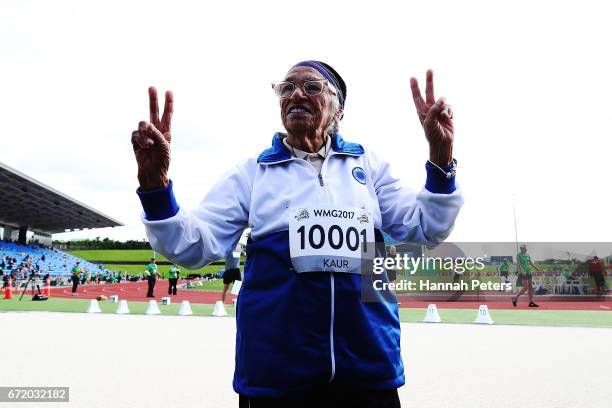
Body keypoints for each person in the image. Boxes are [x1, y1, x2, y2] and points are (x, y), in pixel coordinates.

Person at [131, 61, 463, 407]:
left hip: (368, 371)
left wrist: (441, 159)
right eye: (286, 88)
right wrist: (155, 185)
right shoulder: (253, 173)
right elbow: (190, 245)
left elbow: (426, 226)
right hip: (276, 377)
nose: (296, 95)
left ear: (339, 109)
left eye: (312, 87)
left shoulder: (369, 167)